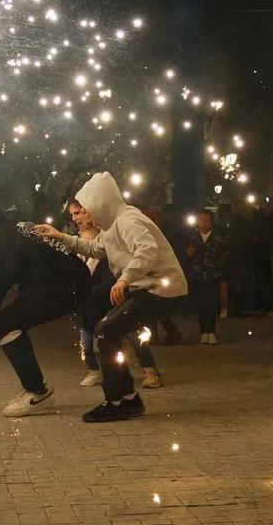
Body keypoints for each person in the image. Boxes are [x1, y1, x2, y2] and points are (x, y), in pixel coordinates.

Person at [33, 173, 187, 423]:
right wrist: (61, 237)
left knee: (105, 331)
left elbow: (147, 250)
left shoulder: (128, 221)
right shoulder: (113, 225)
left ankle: (119, 400)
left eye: (88, 208)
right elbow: (94, 248)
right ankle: (127, 399)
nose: (86, 214)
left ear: (100, 203)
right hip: (147, 288)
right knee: (107, 331)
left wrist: (125, 278)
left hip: (159, 289)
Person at [0, 195, 91, 416]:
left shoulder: (1, 241)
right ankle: (34, 386)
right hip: (71, 279)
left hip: (66, 284)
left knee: (6, 322)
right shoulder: (14, 228)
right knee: (11, 317)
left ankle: (37, 391)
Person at [66, 197, 162, 390]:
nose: (75, 218)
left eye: (78, 213)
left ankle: (149, 371)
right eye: (72, 215)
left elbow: (138, 254)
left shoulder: (110, 234)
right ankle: (96, 371)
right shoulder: (75, 242)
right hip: (89, 303)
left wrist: (120, 283)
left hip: (114, 297)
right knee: (88, 339)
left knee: (133, 334)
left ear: (89, 211)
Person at [182, 209, 231, 344]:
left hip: (213, 275)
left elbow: (224, 255)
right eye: (201, 220)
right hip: (197, 276)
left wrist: (217, 269)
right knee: (201, 304)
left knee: (211, 304)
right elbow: (186, 257)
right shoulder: (192, 237)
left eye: (207, 220)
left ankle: (212, 331)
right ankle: (203, 331)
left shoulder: (218, 237)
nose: (203, 224)